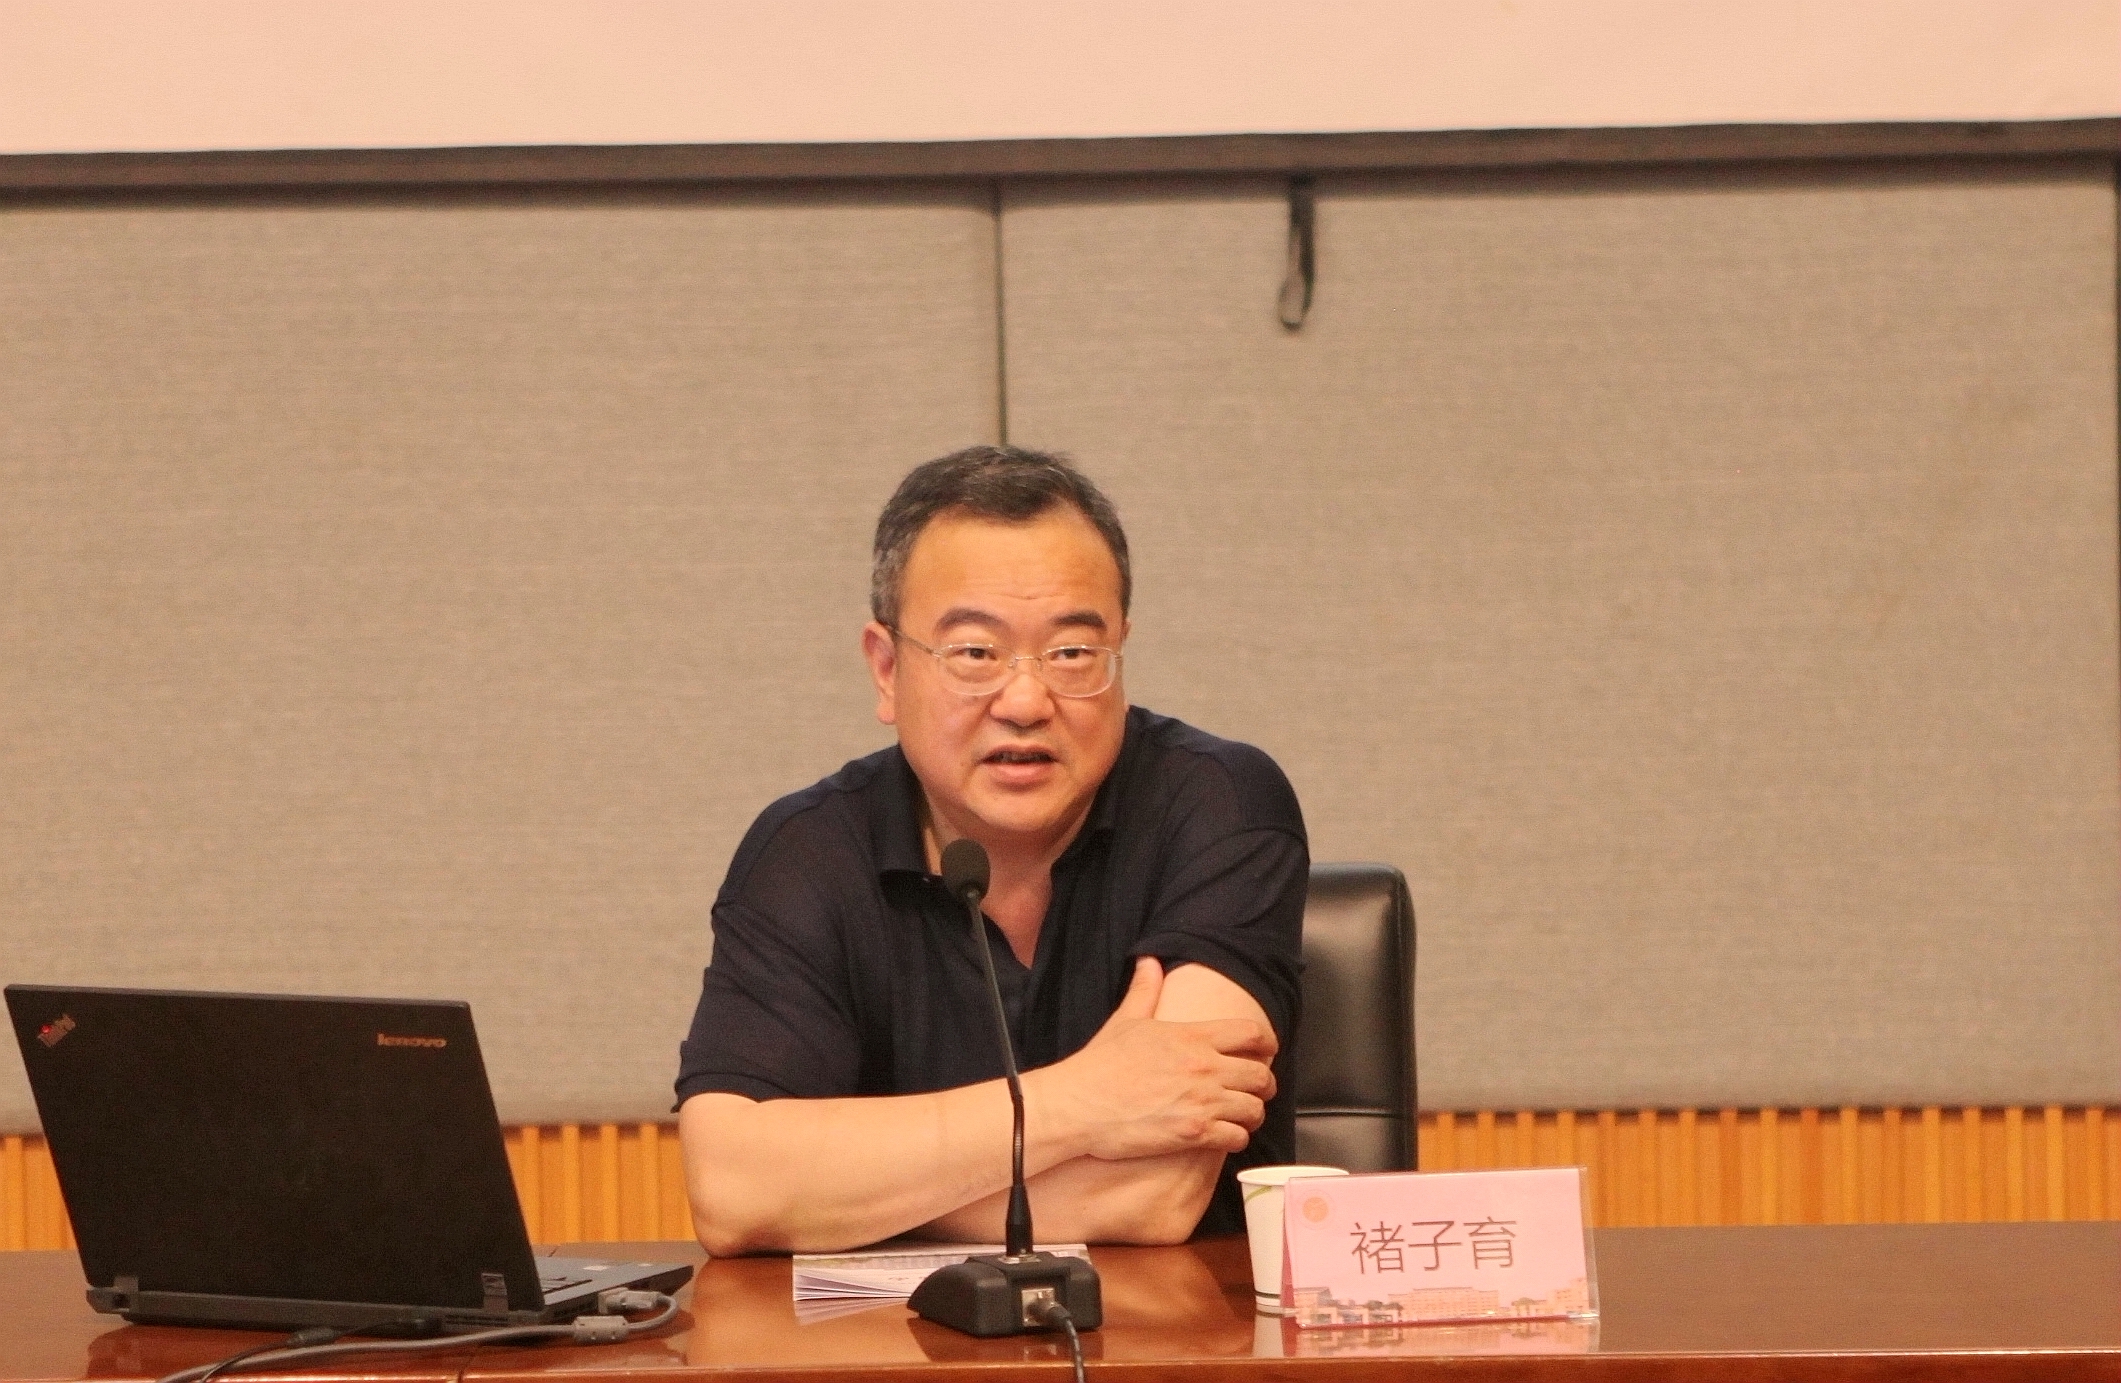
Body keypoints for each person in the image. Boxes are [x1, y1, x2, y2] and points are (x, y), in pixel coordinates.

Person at [675, 445, 1307, 1254]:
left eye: (1071, 652)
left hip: (1174, 1327)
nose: (1025, 699)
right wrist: (1082, 1099)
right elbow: (733, 1192)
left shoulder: (1220, 805)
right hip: (894, 1335)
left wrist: (838, 1201)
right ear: (886, 669)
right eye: (974, 653)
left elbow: (1151, 1194)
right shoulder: (806, 852)